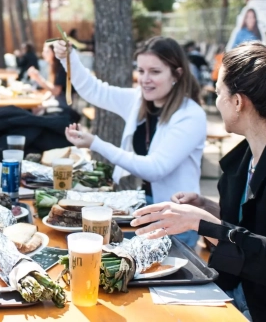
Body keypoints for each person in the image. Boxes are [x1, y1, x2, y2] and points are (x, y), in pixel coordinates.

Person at [131, 32, 266, 322]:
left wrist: (204, 224)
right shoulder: (248, 154)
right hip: (241, 292)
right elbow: (257, 228)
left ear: (238, 102)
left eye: (218, 93)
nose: (216, 102)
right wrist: (208, 209)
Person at [53, 37, 205, 248]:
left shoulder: (191, 115)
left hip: (178, 222)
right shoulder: (138, 100)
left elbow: (155, 169)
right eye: (141, 71)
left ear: (177, 74)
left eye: (155, 71)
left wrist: (96, 143)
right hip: (147, 211)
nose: (145, 79)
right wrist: (68, 57)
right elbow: (95, 91)